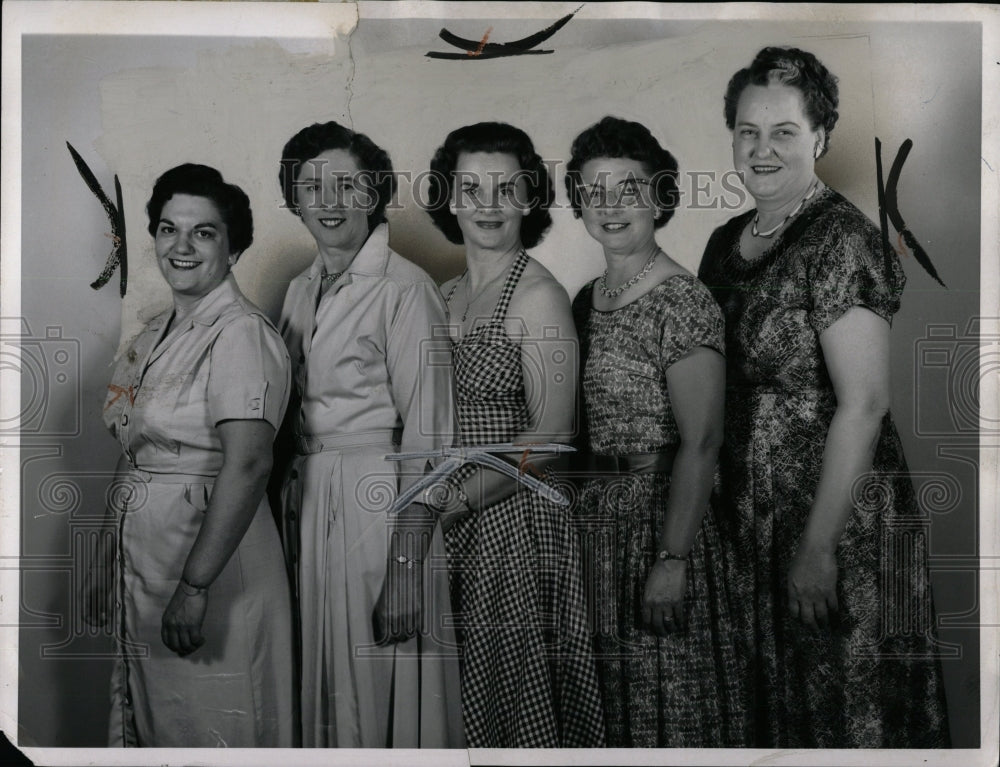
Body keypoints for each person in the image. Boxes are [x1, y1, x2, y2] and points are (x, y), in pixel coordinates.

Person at [698, 46, 950, 748]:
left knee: (844, 708)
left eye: (783, 131)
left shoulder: (843, 239)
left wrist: (818, 545)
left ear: (820, 137)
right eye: (748, 130)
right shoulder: (723, 242)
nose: (761, 148)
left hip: (837, 518)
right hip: (750, 514)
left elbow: (865, 403)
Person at [84, 164, 295, 747]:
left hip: (211, 563)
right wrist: (107, 554)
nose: (181, 246)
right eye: (168, 229)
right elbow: (134, 452)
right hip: (147, 554)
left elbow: (249, 464)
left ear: (234, 247)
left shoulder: (240, 333)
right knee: (157, 724)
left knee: (213, 723)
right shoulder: (154, 333)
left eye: (203, 232)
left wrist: (195, 587)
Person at [275, 121, 463, 748]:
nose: (330, 202)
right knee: (323, 686)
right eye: (313, 186)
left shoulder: (406, 289)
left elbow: (431, 440)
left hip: (378, 511)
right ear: (294, 197)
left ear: (376, 192)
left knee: (374, 681)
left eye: (348, 186)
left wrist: (406, 569)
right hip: (310, 506)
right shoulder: (299, 292)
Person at [565, 116, 748, 747]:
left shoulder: (683, 300)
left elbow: (703, 441)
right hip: (600, 531)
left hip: (663, 526)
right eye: (595, 192)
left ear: (660, 196)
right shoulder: (585, 300)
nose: (611, 206)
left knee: (669, 709)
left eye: (628, 189)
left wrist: (671, 560)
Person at [425, 121, 604, 748]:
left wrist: (448, 507)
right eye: (471, 188)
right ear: (449, 198)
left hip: (511, 524)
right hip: (453, 520)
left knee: (509, 711)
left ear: (530, 198)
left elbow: (553, 436)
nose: (488, 205)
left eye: (506, 188)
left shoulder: (537, 296)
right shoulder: (444, 294)